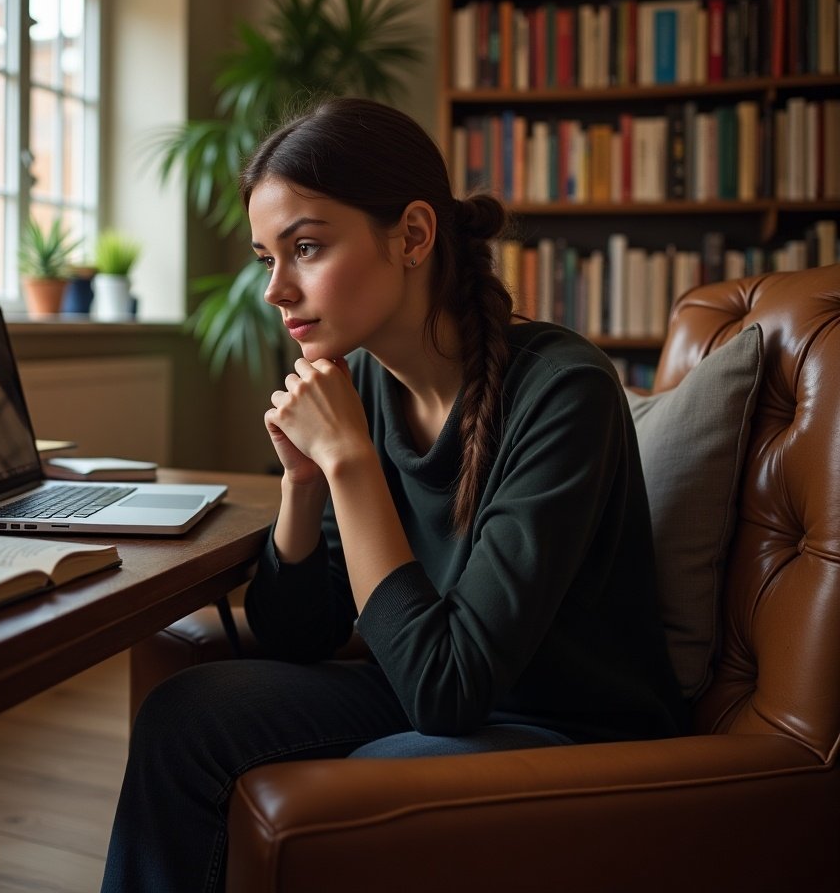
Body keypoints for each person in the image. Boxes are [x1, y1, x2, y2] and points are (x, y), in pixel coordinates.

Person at [100, 97, 687, 892]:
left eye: (305, 247)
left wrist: (349, 463)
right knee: (185, 714)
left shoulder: (563, 391)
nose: (276, 289)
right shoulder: (367, 384)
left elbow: (448, 689)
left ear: (412, 235)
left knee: (365, 781)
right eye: (265, 258)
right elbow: (300, 634)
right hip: (421, 681)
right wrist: (303, 483)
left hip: (559, 721)